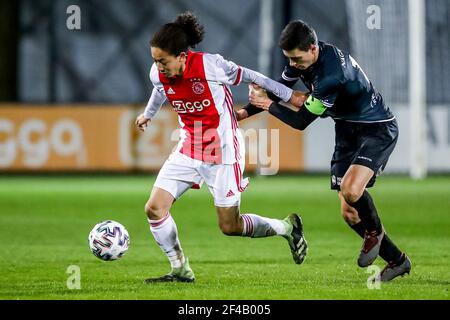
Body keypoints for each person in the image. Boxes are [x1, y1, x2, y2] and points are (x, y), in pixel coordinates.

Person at [135, 12, 307, 283]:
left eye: (163, 61)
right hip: (188, 146)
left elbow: (254, 76)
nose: (158, 67)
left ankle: (286, 227)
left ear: (182, 56)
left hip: (223, 151)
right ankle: (180, 269)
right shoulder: (158, 72)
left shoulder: (211, 66)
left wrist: (290, 96)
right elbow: (159, 88)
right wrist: (148, 114)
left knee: (230, 226)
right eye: (155, 60)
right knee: (154, 208)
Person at [241, 20, 411, 282]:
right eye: (289, 59)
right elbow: (277, 90)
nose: (293, 64)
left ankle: (374, 233)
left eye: (297, 59)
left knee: (352, 190)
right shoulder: (305, 59)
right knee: (349, 212)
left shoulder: (331, 75)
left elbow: (301, 122)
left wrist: (266, 106)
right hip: (347, 130)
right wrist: (242, 113)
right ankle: (397, 261)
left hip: (375, 129)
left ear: (312, 48)